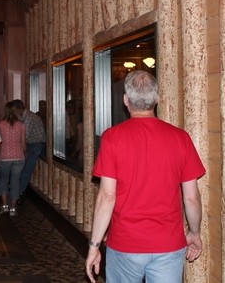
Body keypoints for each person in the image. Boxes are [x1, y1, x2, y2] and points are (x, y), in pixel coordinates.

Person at [85, 71, 206, 283]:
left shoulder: (112, 137)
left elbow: (107, 197)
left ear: (126, 100)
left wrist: (94, 245)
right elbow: (191, 197)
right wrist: (194, 233)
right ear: (157, 98)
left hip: (125, 243)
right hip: (168, 243)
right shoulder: (181, 138)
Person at [0, 101, 25, 216]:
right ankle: (13, 209)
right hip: (18, 157)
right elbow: (23, 144)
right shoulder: (21, 125)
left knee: (4, 181)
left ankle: (4, 206)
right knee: (15, 182)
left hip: (4, 156)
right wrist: (24, 154)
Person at [14, 99, 46, 203]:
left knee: (27, 169)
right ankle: (18, 192)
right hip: (30, 143)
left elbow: (24, 136)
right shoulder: (24, 117)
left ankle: (19, 193)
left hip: (37, 144)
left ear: (18, 109)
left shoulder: (29, 118)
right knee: (22, 168)